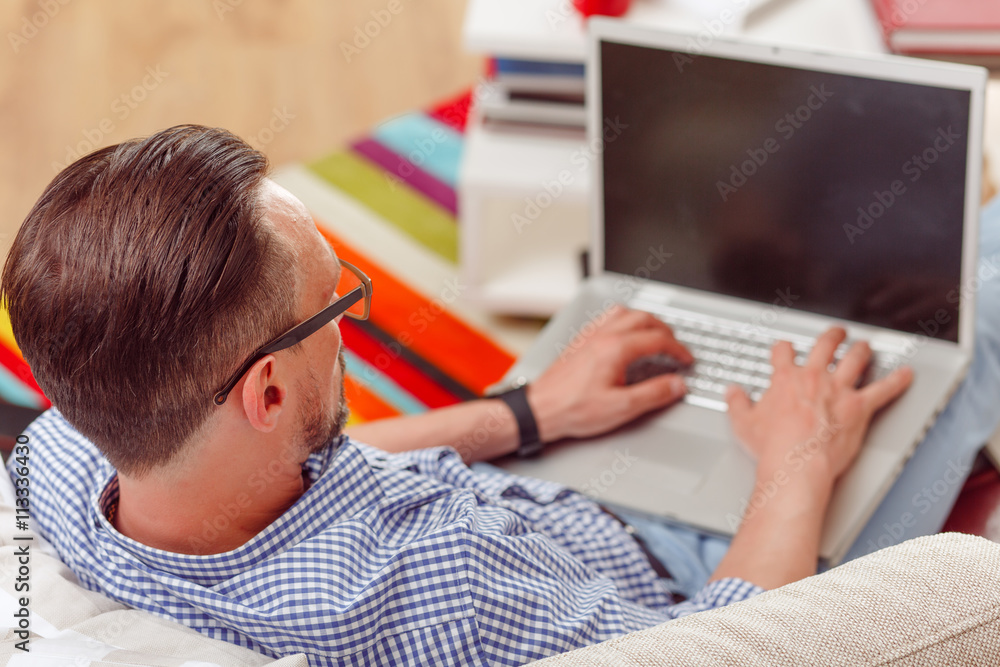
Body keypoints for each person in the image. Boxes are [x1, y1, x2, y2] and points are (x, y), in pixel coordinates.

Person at [0, 125, 927, 665]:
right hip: (699, 574)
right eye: (333, 303)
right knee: (969, 307)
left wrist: (526, 413)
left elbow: (284, 476)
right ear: (269, 393)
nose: (345, 324)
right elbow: (723, 648)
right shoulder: (449, 582)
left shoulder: (62, 457)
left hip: (541, 491)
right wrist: (798, 463)